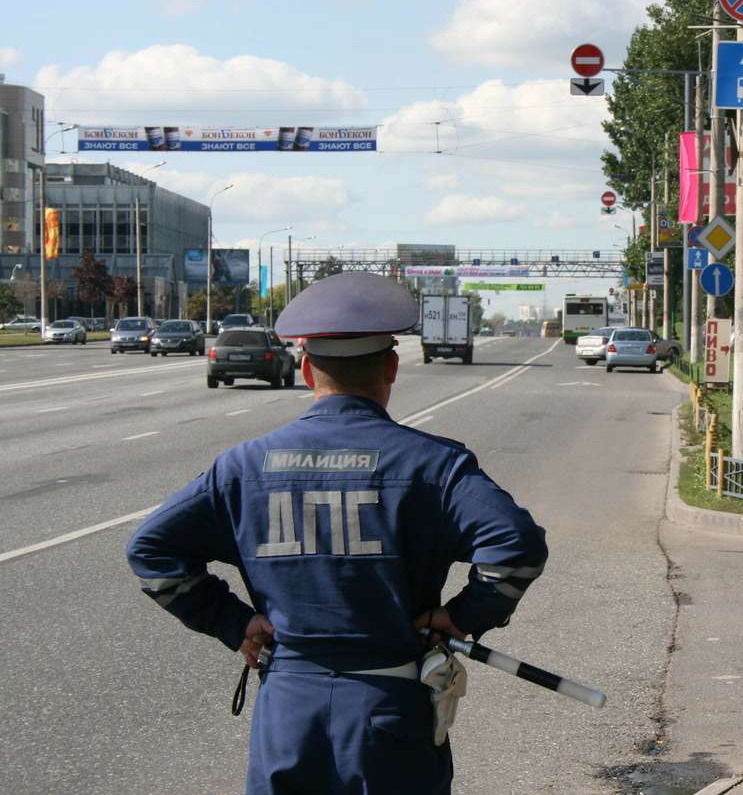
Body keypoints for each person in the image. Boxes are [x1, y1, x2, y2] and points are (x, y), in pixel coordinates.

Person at [126, 272, 548, 794]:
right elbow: (517, 547)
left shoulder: (241, 467)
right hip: (389, 707)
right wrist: (462, 617)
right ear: (392, 367)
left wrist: (233, 622)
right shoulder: (434, 466)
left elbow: (152, 550)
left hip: (287, 712)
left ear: (306, 370)